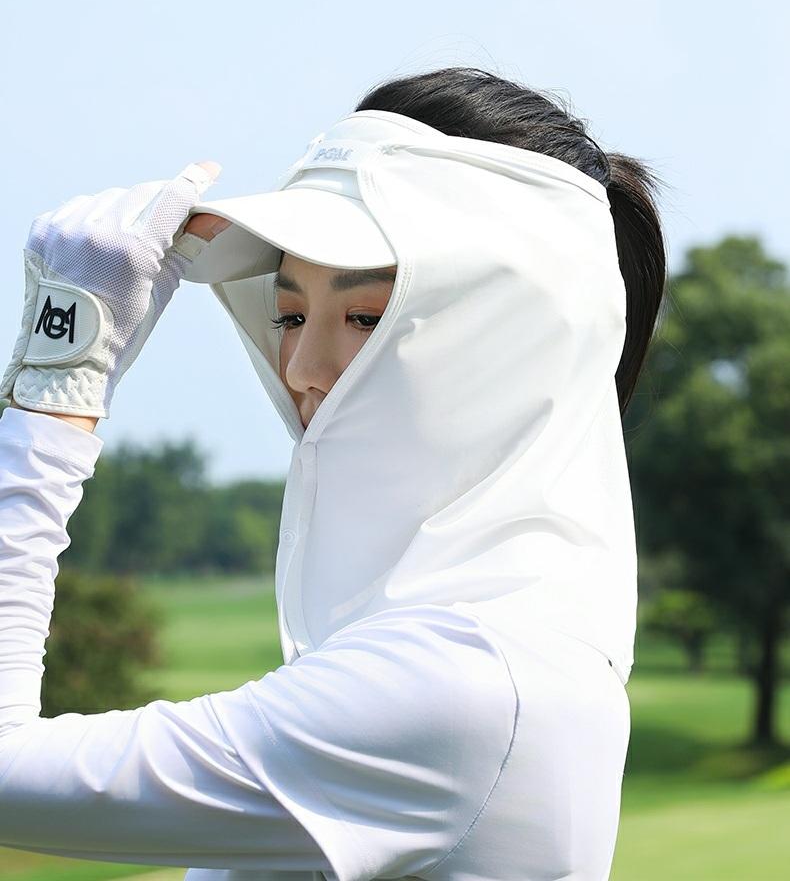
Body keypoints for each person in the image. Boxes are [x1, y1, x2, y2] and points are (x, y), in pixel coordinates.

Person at [0, 67, 667, 881]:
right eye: (289, 313)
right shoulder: (482, 641)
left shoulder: (462, 686)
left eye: (365, 316)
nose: (302, 367)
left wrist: (61, 373)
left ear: (505, 339)